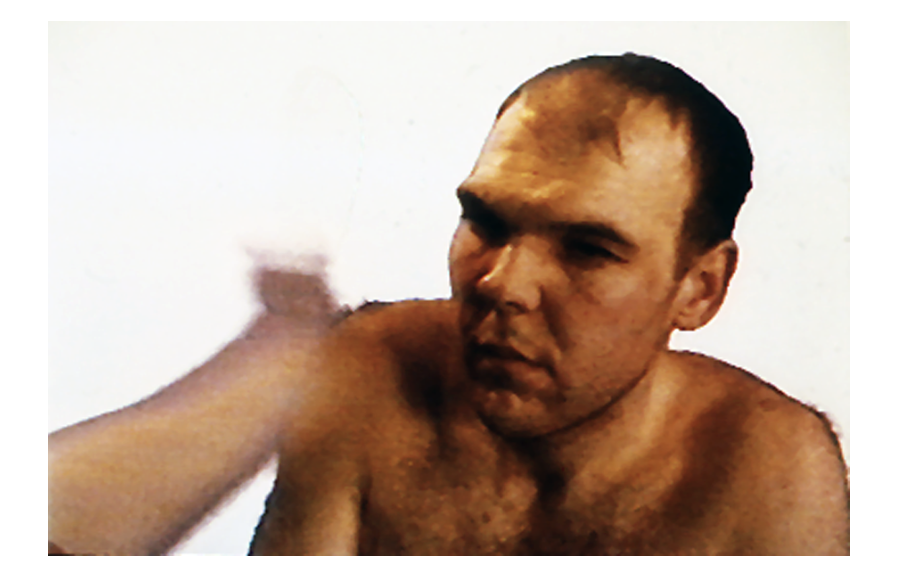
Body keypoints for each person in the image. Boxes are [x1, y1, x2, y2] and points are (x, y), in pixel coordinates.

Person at [48, 54, 849, 556]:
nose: (503, 283)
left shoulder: (768, 469)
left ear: (699, 288)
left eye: (587, 248)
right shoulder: (369, 366)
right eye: (487, 222)